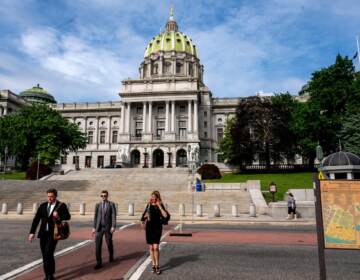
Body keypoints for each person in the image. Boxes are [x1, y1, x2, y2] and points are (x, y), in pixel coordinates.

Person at [28, 188, 71, 280]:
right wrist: (32, 232)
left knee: (48, 253)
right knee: (45, 254)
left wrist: (58, 216)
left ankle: (49, 275)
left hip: (54, 234)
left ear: (55, 196)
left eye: (51, 196)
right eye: (48, 196)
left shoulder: (61, 205)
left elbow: (68, 216)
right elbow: (36, 220)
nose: (49, 198)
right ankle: (48, 274)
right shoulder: (43, 206)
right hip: (43, 233)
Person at [141, 191, 168, 275]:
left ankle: (157, 265)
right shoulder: (148, 205)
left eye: (154, 197)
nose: (152, 198)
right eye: (151, 196)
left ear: (157, 197)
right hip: (149, 228)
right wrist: (145, 217)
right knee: (151, 248)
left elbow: (165, 215)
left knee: (156, 247)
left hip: (157, 228)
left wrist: (159, 206)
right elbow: (143, 216)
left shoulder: (160, 205)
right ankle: (153, 265)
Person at [92, 190, 117, 269]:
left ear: (107, 196)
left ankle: (111, 255)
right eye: (102, 196)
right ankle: (99, 262)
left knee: (109, 243)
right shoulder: (98, 205)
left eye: (105, 196)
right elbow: (95, 217)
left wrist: (113, 226)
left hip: (108, 227)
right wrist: (94, 227)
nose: (103, 197)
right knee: (97, 246)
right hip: (99, 228)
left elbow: (113, 216)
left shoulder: (111, 204)